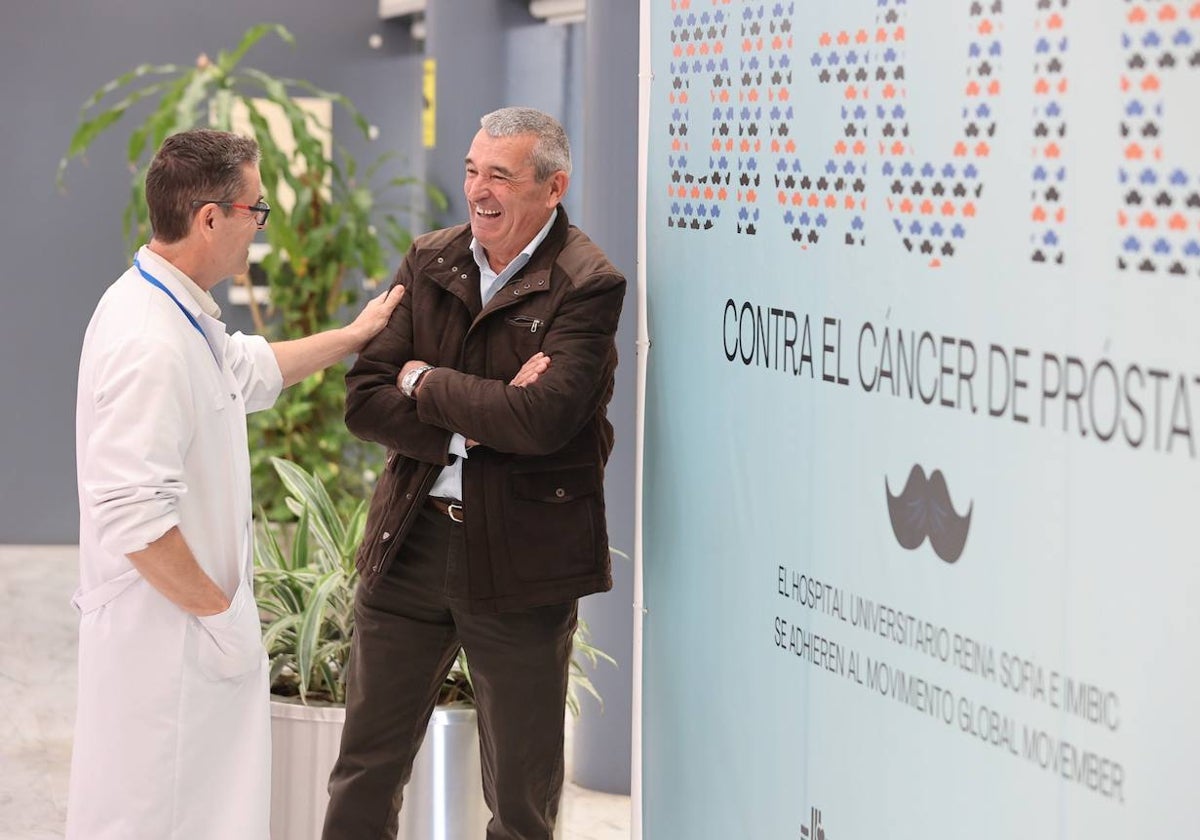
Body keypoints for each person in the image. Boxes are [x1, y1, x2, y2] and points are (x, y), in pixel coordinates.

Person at [68, 128, 402, 840]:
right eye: (256, 209)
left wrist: (354, 334)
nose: (259, 225)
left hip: (184, 642)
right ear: (210, 217)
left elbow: (247, 370)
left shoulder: (173, 312)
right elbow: (133, 516)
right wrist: (220, 618)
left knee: (195, 809)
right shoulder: (150, 342)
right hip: (168, 645)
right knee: (157, 814)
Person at [322, 106, 626, 839]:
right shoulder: (431, 259)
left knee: (521, 796)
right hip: (411, 543)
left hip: (522, 560)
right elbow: (365, 401)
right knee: (365, 769)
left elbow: (542, 422)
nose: (478, 191)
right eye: (470, 170)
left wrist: (423, 380)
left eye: (500, 175)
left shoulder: (587, 283)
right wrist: (480, 416)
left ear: (554, 187)